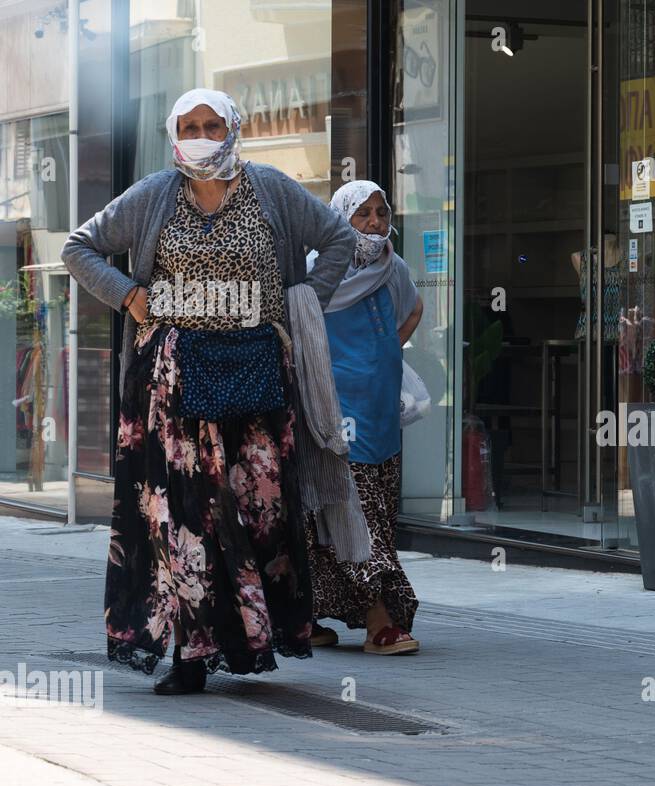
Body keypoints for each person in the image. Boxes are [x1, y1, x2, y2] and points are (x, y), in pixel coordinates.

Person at [61, 88, 361, 694]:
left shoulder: (271, 188)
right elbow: (79, 248)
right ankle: (190, 653)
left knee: (259, 509)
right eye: (190, 125)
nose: (201, 134)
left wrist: (298, 305)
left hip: (254, 371)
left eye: (212, 124)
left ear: (233, 129)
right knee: (184, 520)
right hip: (171, 384)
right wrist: (128, 294)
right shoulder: (153, 194)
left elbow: (340, 240)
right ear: (174, 132)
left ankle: (249, 640)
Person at [306, 181, 423, 655]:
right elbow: (300, 325)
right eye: (363, 214)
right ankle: (378, 620)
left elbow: (412, 307)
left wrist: (386, 349)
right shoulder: (320, 270)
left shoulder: (391, 266)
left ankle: (303, 616)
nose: (375, 222)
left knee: (375, 515)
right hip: (336, 413)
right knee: (350, 515)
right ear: (341, 219)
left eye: (381, 212)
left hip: (380, 413)